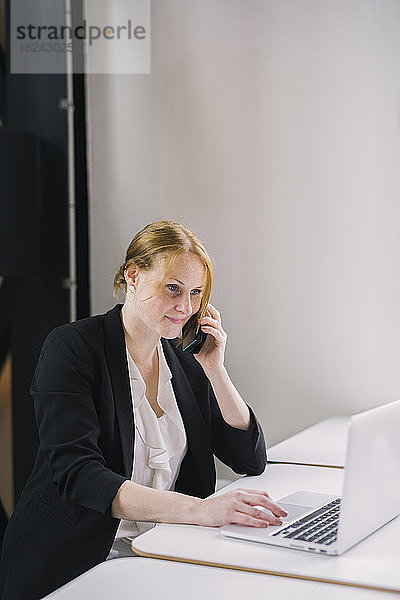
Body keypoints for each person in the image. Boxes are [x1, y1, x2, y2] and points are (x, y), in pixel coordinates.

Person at [0, 220, 286, 599]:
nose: (185, 307)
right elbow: (80, 475)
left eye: (196, 293)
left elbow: (249, 458)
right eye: (173, 289)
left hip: (160, 552)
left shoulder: (185, 363)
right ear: (133, 276)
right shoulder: (72, 348)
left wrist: (216, 370)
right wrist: (202, 510)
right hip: (78, 560)